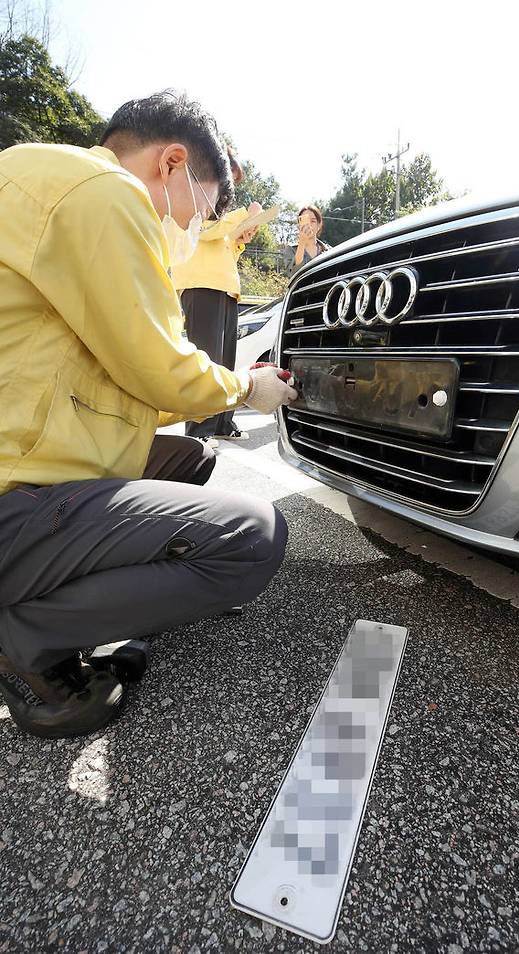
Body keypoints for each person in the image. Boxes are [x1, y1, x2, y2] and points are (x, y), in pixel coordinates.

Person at [0, 91, 297, 739]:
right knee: (252, 538)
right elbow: (156, 363)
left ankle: (64, 593)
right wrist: (248, 390)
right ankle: (22, 632)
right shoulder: (106, 193)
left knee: (189, 456)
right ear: (172, 163)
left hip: (19, 449)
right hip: (10, 501)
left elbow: (118, 383)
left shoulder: (34, 174)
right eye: (207, 205)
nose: (198, 225)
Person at [172, 150, 260, 444]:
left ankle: (223, 422)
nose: (230, 186)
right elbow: (205, 232)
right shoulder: (199, 197)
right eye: (229, 177)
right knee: (206, 358)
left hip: (225, 286)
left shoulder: (223, 211)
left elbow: (222, 245)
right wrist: (239, 219)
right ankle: (199, 430)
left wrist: (239, 239)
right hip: (200, 284)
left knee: (225, 360)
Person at [284, 205, 330, 275]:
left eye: (313, 221)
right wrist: (302, 242)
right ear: (299, 224)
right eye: (305, 221)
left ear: (319, 225)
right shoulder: (291, 249)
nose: (309, 225)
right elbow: (293, 274)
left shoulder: (328, 250)